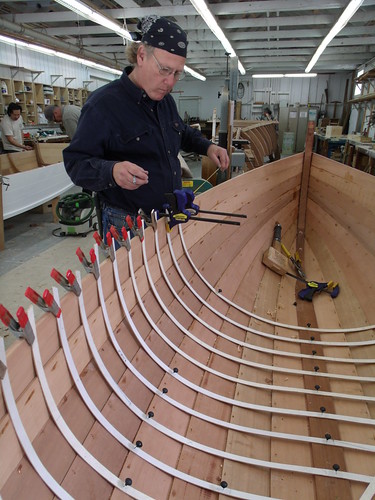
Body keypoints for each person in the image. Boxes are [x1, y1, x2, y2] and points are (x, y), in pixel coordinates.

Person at [63, 15, 229, 238]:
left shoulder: (164, 100)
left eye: (177, 74)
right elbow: (76, 163)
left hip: (167, 214)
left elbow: (181, 133)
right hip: (126, 222)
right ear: (141, 55)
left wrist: (208, 147)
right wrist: (111, 171)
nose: (170, 83)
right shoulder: (103, 105)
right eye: (164, 70)